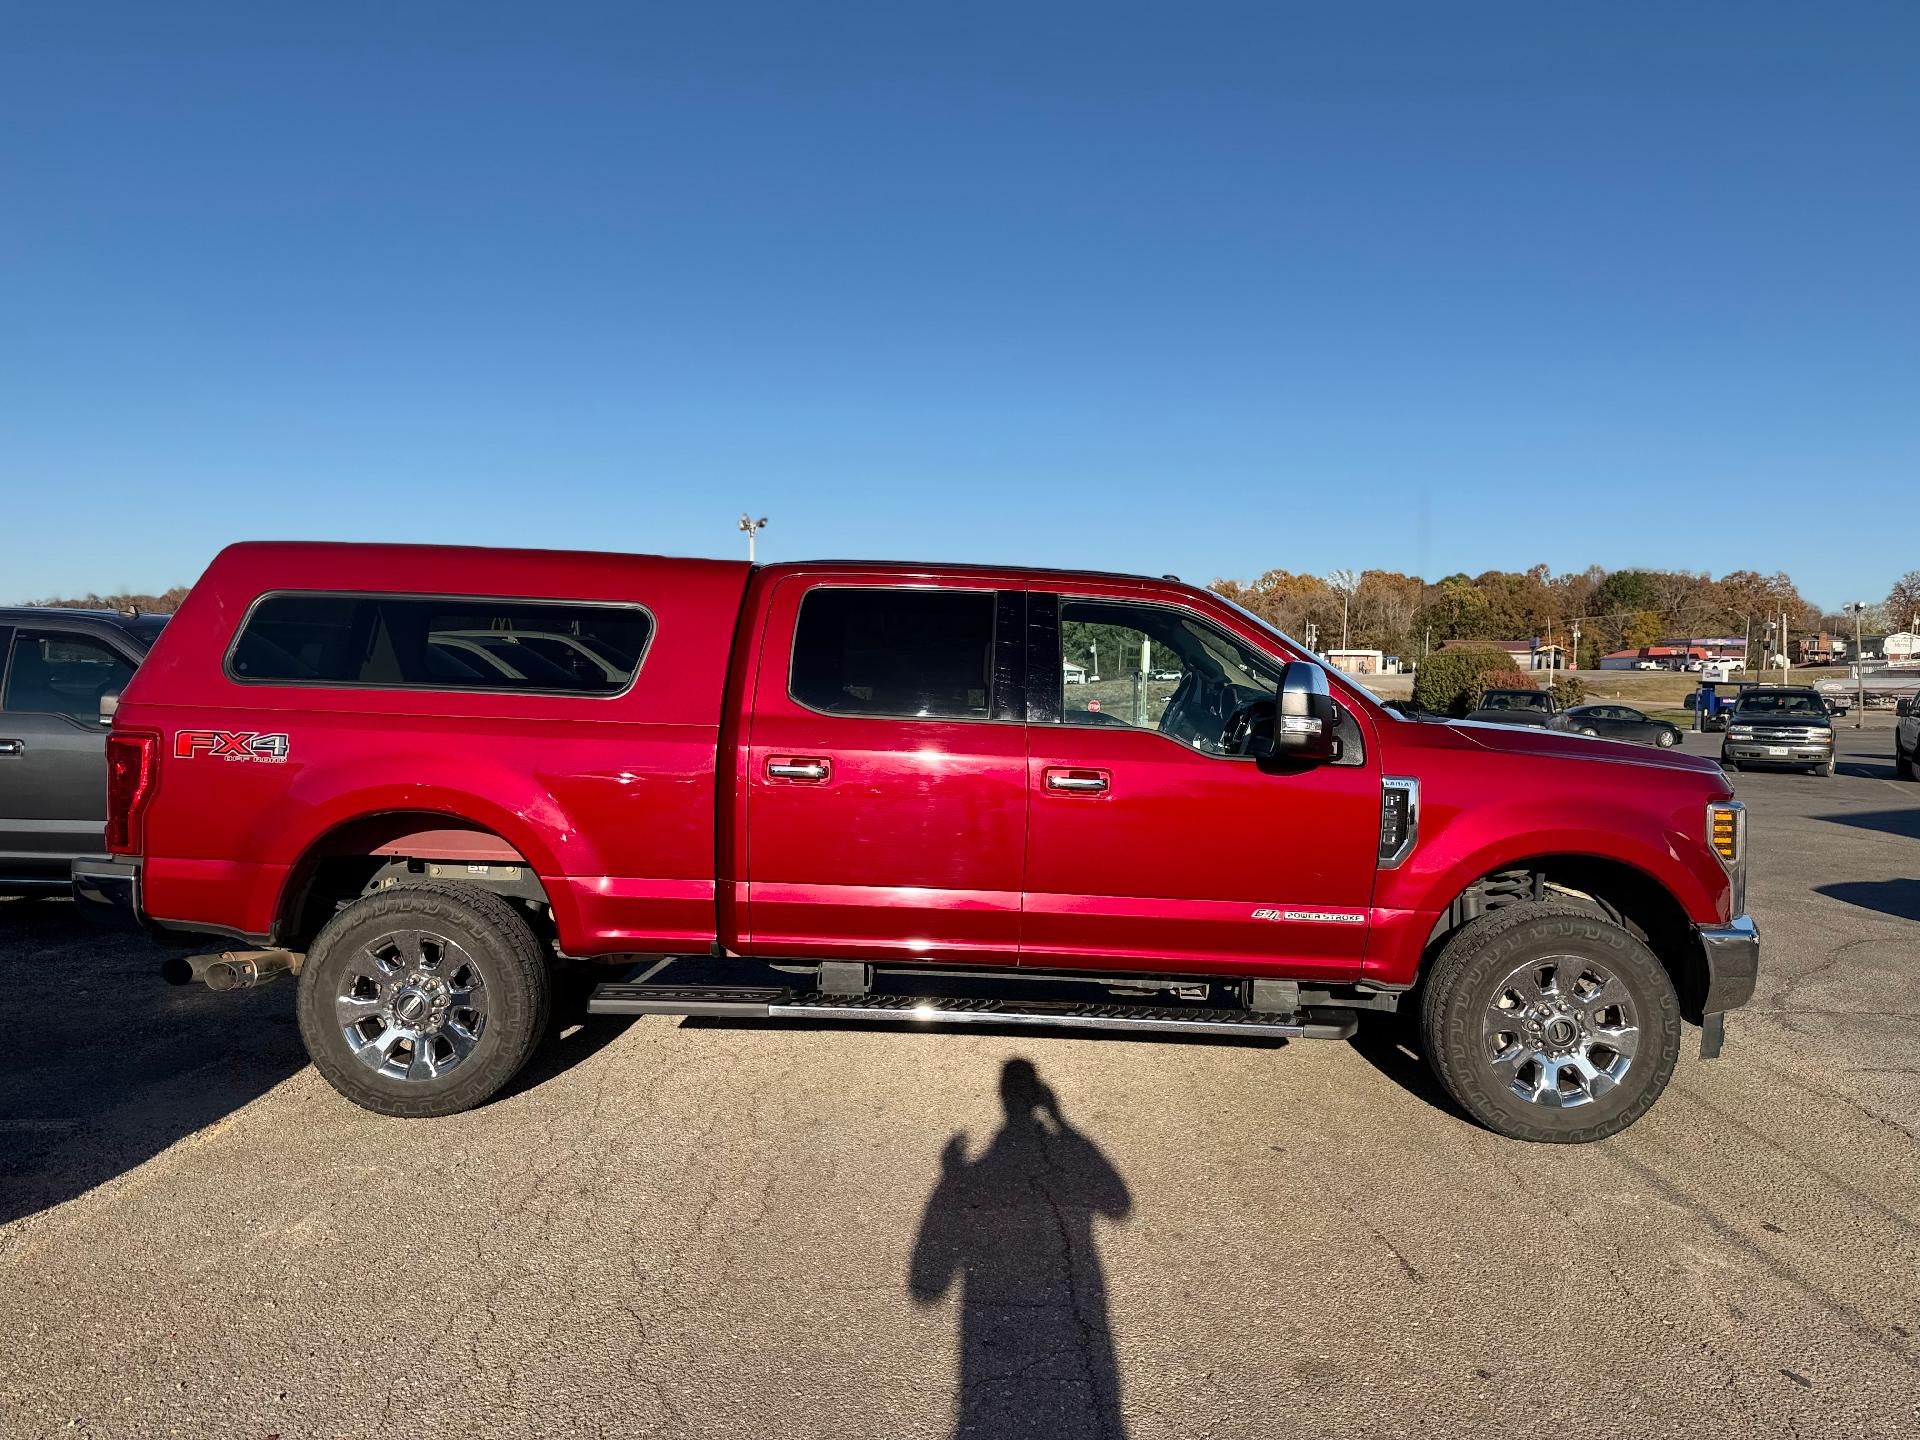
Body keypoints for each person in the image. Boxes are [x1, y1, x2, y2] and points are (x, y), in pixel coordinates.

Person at [909, 1058, 1132, 1438]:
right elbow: (1118, 1203)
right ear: (1037, 1100)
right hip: (1072, 1300)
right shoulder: (986, 1171)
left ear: (1001, 1098)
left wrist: (951, 1176)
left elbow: (925, 1284)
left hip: (990, 1316)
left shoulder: (973, 1176)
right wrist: (1064, 1126)